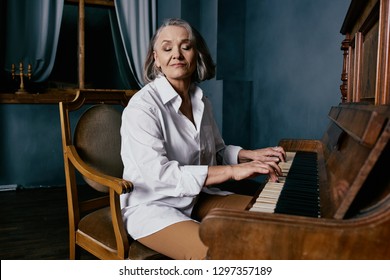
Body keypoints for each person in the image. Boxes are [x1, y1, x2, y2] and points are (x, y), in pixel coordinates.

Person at [120, 18, 286, 260]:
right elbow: (159, 176)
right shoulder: (141, 108)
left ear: (196, 54)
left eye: (185, 46)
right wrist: (231, 171)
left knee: (270, 219)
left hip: (198, 198)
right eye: (167, 48)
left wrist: (249, 155)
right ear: (156, 59)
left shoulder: (200, 100)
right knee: (219, 254)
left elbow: (216, 149)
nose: (176, 54)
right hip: (153, 207)